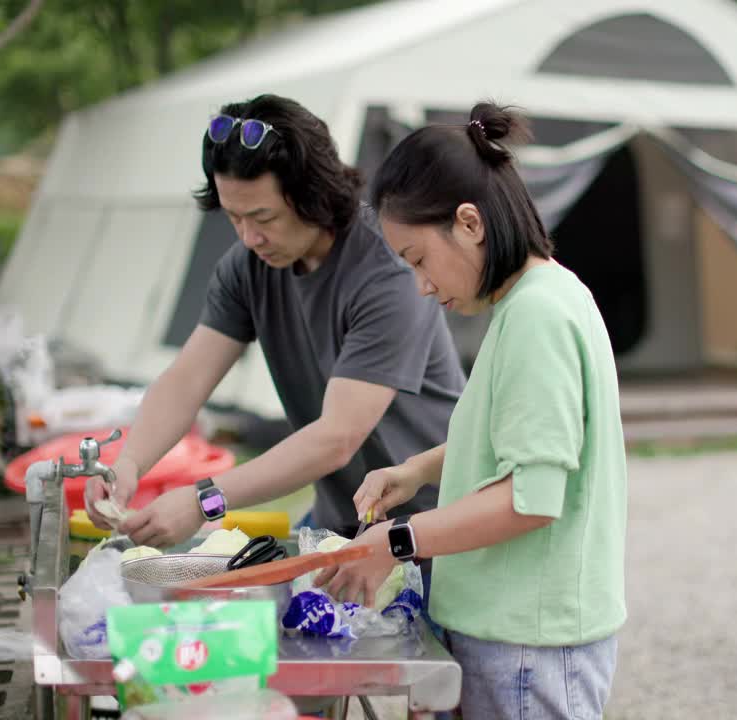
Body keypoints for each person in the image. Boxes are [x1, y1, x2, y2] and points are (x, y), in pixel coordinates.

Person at [313, 103, 627, 720]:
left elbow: (531, 496)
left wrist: (395, 541)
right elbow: (524, 437)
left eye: (419, 260)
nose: (423, 287)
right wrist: (421, 471)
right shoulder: (535, 301)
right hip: (512, 635)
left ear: (468, 223)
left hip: (528, 645)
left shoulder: (538, 316)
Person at [83, 94, 465, 549]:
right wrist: (128, 465)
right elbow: (187, 378)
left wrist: (204, 501)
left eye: (263, 217)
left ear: (315, 196)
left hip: (434, 523)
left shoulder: (388, 271)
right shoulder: (248, 266)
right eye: (233, 217)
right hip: (342, 522)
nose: (249, 237)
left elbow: (336, 438)